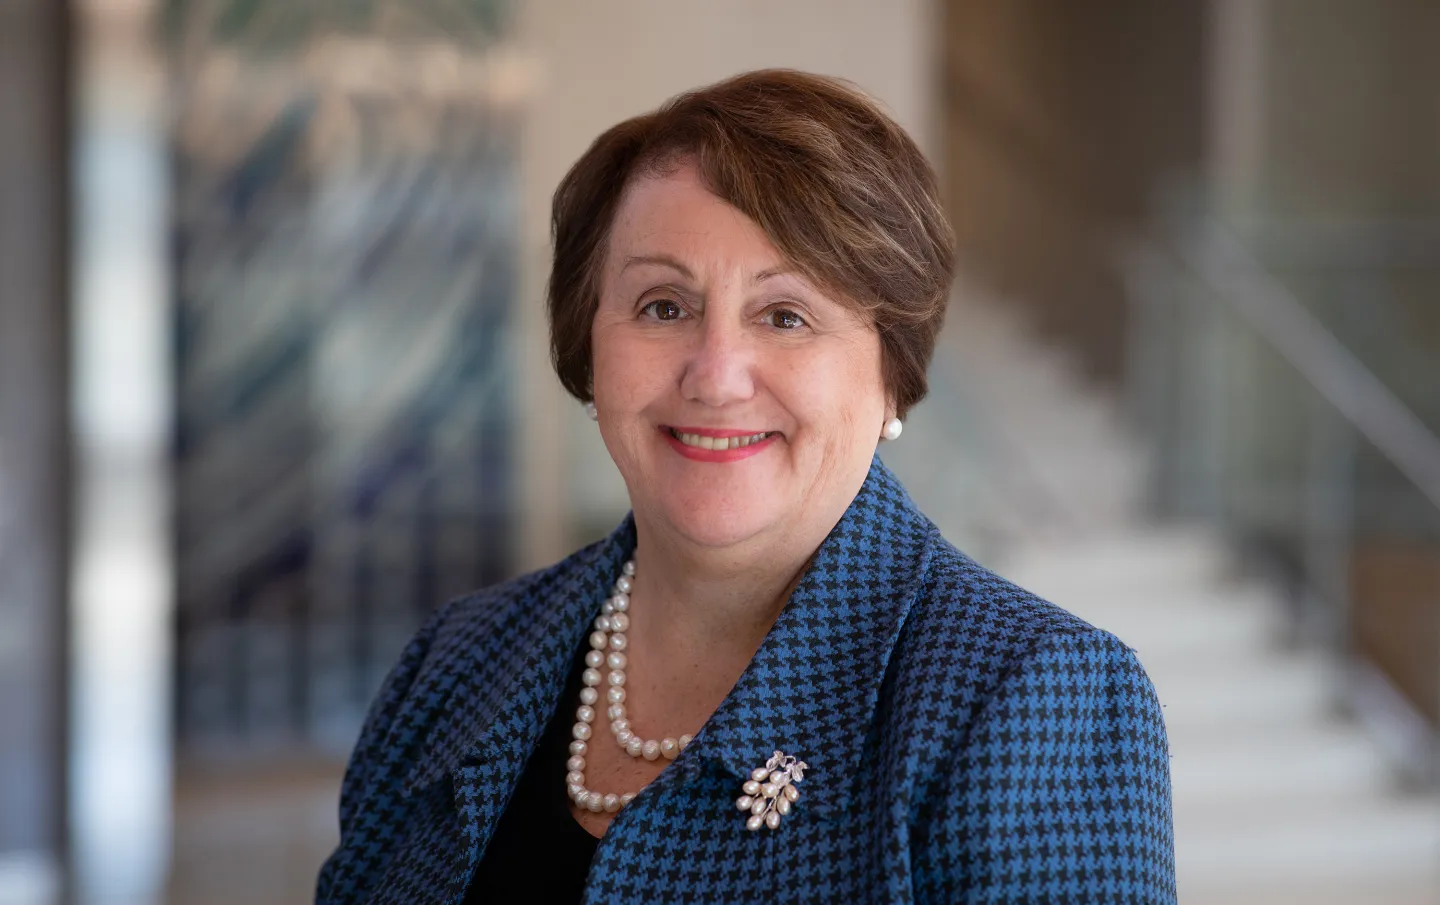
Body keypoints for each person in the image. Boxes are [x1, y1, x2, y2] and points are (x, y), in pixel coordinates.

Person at [316, 69, 1175, 904]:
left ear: (892, 376)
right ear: (590, 349)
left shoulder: (1032, 699)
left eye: (786, 316)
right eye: (662, 305)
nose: (717, 375)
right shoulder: (456, 661)